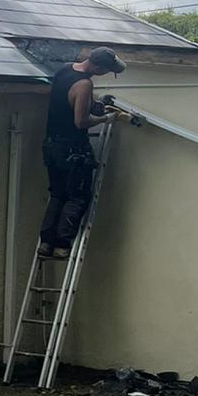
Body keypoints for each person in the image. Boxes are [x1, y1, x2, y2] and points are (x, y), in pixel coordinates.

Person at [39, 46, 126, 258]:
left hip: (51, 144)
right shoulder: (85, 84)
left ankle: (46, 243)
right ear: (98, 67)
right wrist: (106, 118)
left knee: (58, 193)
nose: (106, 74)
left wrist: (97, 104)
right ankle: (62, 245)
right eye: (107, 70)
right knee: (77, 197)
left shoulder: (65, 69)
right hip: (73, 149)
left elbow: (67, 102)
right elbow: (81, 121)